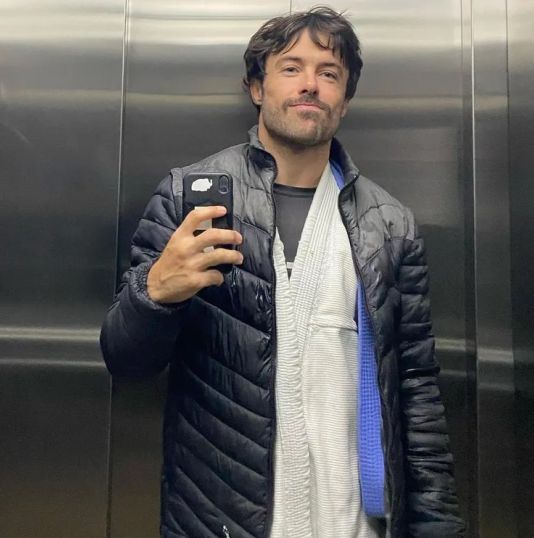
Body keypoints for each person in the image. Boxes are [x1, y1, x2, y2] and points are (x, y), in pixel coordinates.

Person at [101, 7, 464, 538]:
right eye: (291, 68)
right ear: (257, 87)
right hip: (221, 519)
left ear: (345, 98)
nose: (310, 84)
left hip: (353, 522)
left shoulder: (389, 226)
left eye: (329, 72)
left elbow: (416, 396)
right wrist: (153, 292)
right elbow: (125, 362)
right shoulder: (184, 198)